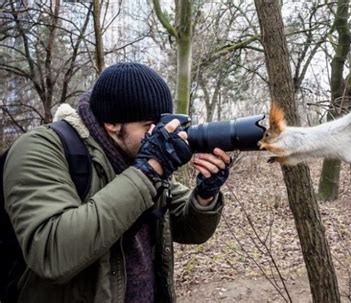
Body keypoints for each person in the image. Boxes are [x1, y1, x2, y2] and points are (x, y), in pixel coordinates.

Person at [3, 62, 231, 302]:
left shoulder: (135, 155)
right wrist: (147, 171)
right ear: (112, 123)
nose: (157, 134)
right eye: (148, 126)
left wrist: (205, 194)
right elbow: (52, 252)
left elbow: (189, 229)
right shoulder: (40, 149)